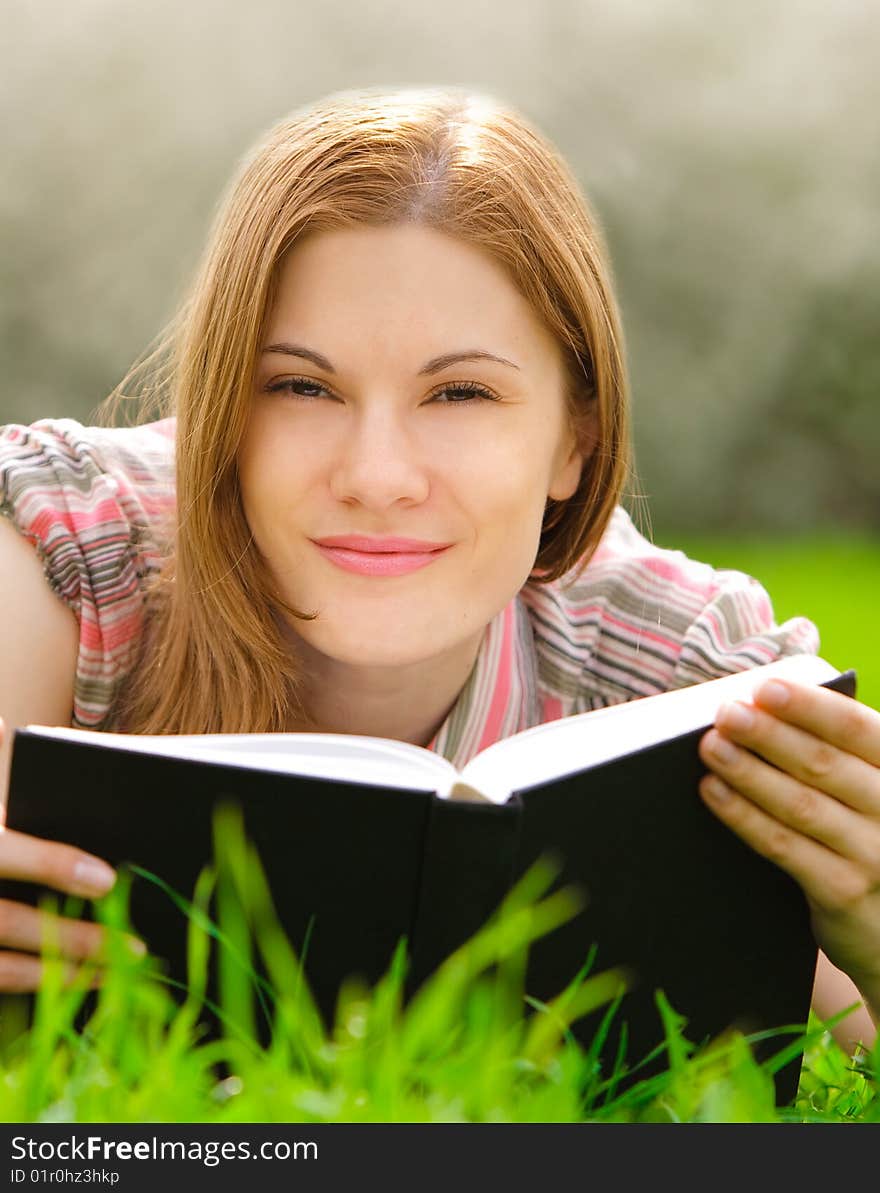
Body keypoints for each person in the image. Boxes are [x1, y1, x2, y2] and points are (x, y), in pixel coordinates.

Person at [0, 87, 877, 1058]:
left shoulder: (680, 669)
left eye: (459, 391)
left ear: (574, 439)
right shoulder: (71, 553)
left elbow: (848, 1028)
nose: (376, 476)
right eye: (300, 385)